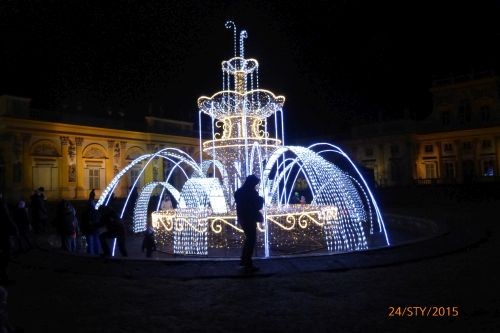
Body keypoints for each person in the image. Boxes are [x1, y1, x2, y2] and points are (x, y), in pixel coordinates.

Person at [234, 175, 264, 272]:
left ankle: (244, 260)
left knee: (249, 239)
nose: (256, 185)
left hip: (243, 218)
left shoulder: (240, 192)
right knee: (251, 240)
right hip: (249, 219)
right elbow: (257, 206)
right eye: (255, 183)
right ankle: (247, 262)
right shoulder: (251, 192)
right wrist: (260, 199)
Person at [0, 191, 17, 286]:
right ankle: (4, 278)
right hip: (4, 234)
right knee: (6, 256)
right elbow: (7, 218)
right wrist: (14, 230)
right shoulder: (2, 205)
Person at [80, 190, 101, 255]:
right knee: (95, 241)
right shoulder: (95, 211)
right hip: (93, 228)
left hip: (90, 228)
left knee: (90, 241)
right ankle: (95, 253)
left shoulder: (86, 211)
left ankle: (91, 253)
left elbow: (83, 220)